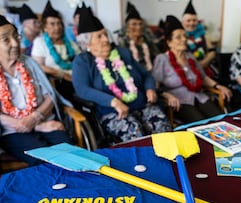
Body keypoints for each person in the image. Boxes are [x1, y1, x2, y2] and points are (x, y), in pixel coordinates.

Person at [0, 1, 72, 165]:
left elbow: (49, 95)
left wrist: (36, 117)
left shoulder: (29, 62)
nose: (14, 43)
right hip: (13, 131)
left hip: (44, 119)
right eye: (5, 39)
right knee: (43, 159)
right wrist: (33, 125)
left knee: (70, 151)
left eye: (15, 36)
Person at [72, 6, 171, 143]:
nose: (106, 39)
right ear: (87, 42)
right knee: (136, 134)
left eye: (105, 34)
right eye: (99, 36)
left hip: (142, 105)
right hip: (113, 112)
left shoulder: (122, 52)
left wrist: (150, 88)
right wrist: (113, 101)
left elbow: (146, 75)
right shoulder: (83, 61)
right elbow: (82, 89)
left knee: (162, 127)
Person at [152, 15, 231, 124]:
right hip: (179, 102)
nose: (184, 39)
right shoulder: (162, 59)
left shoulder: (190, 56)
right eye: (178, 37)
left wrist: (218, 86)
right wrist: (167, 95)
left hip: (199, 96)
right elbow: (155, 85)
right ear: (169, 42)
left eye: (184, 36)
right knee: (201, 124)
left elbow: (203, 77)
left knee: (222, 119)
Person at [31, 0, 80, 103]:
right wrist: (63, 74)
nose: (57, 27)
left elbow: (80, 60)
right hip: (57, 82)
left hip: (76, 78)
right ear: (45, 27)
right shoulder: (40, 42)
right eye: (52, 24)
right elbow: (39, 66)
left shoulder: (70, 43)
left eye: (59, 23)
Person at [117, 2, 160, 72]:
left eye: (140, 24)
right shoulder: (123, 41)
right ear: (127, 27)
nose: (138, 27)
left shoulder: (146, 39)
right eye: (134, 24)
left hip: (151, 72)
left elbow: (157, 56)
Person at [181, 0, 218, 79]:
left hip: (205, 68)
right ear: (182, 22)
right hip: (187, 70)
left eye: (194, 20)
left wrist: (203, 63)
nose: (191, 23)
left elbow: (213, 52)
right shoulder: (180, 37)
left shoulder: (203, 35)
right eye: (188, 20)